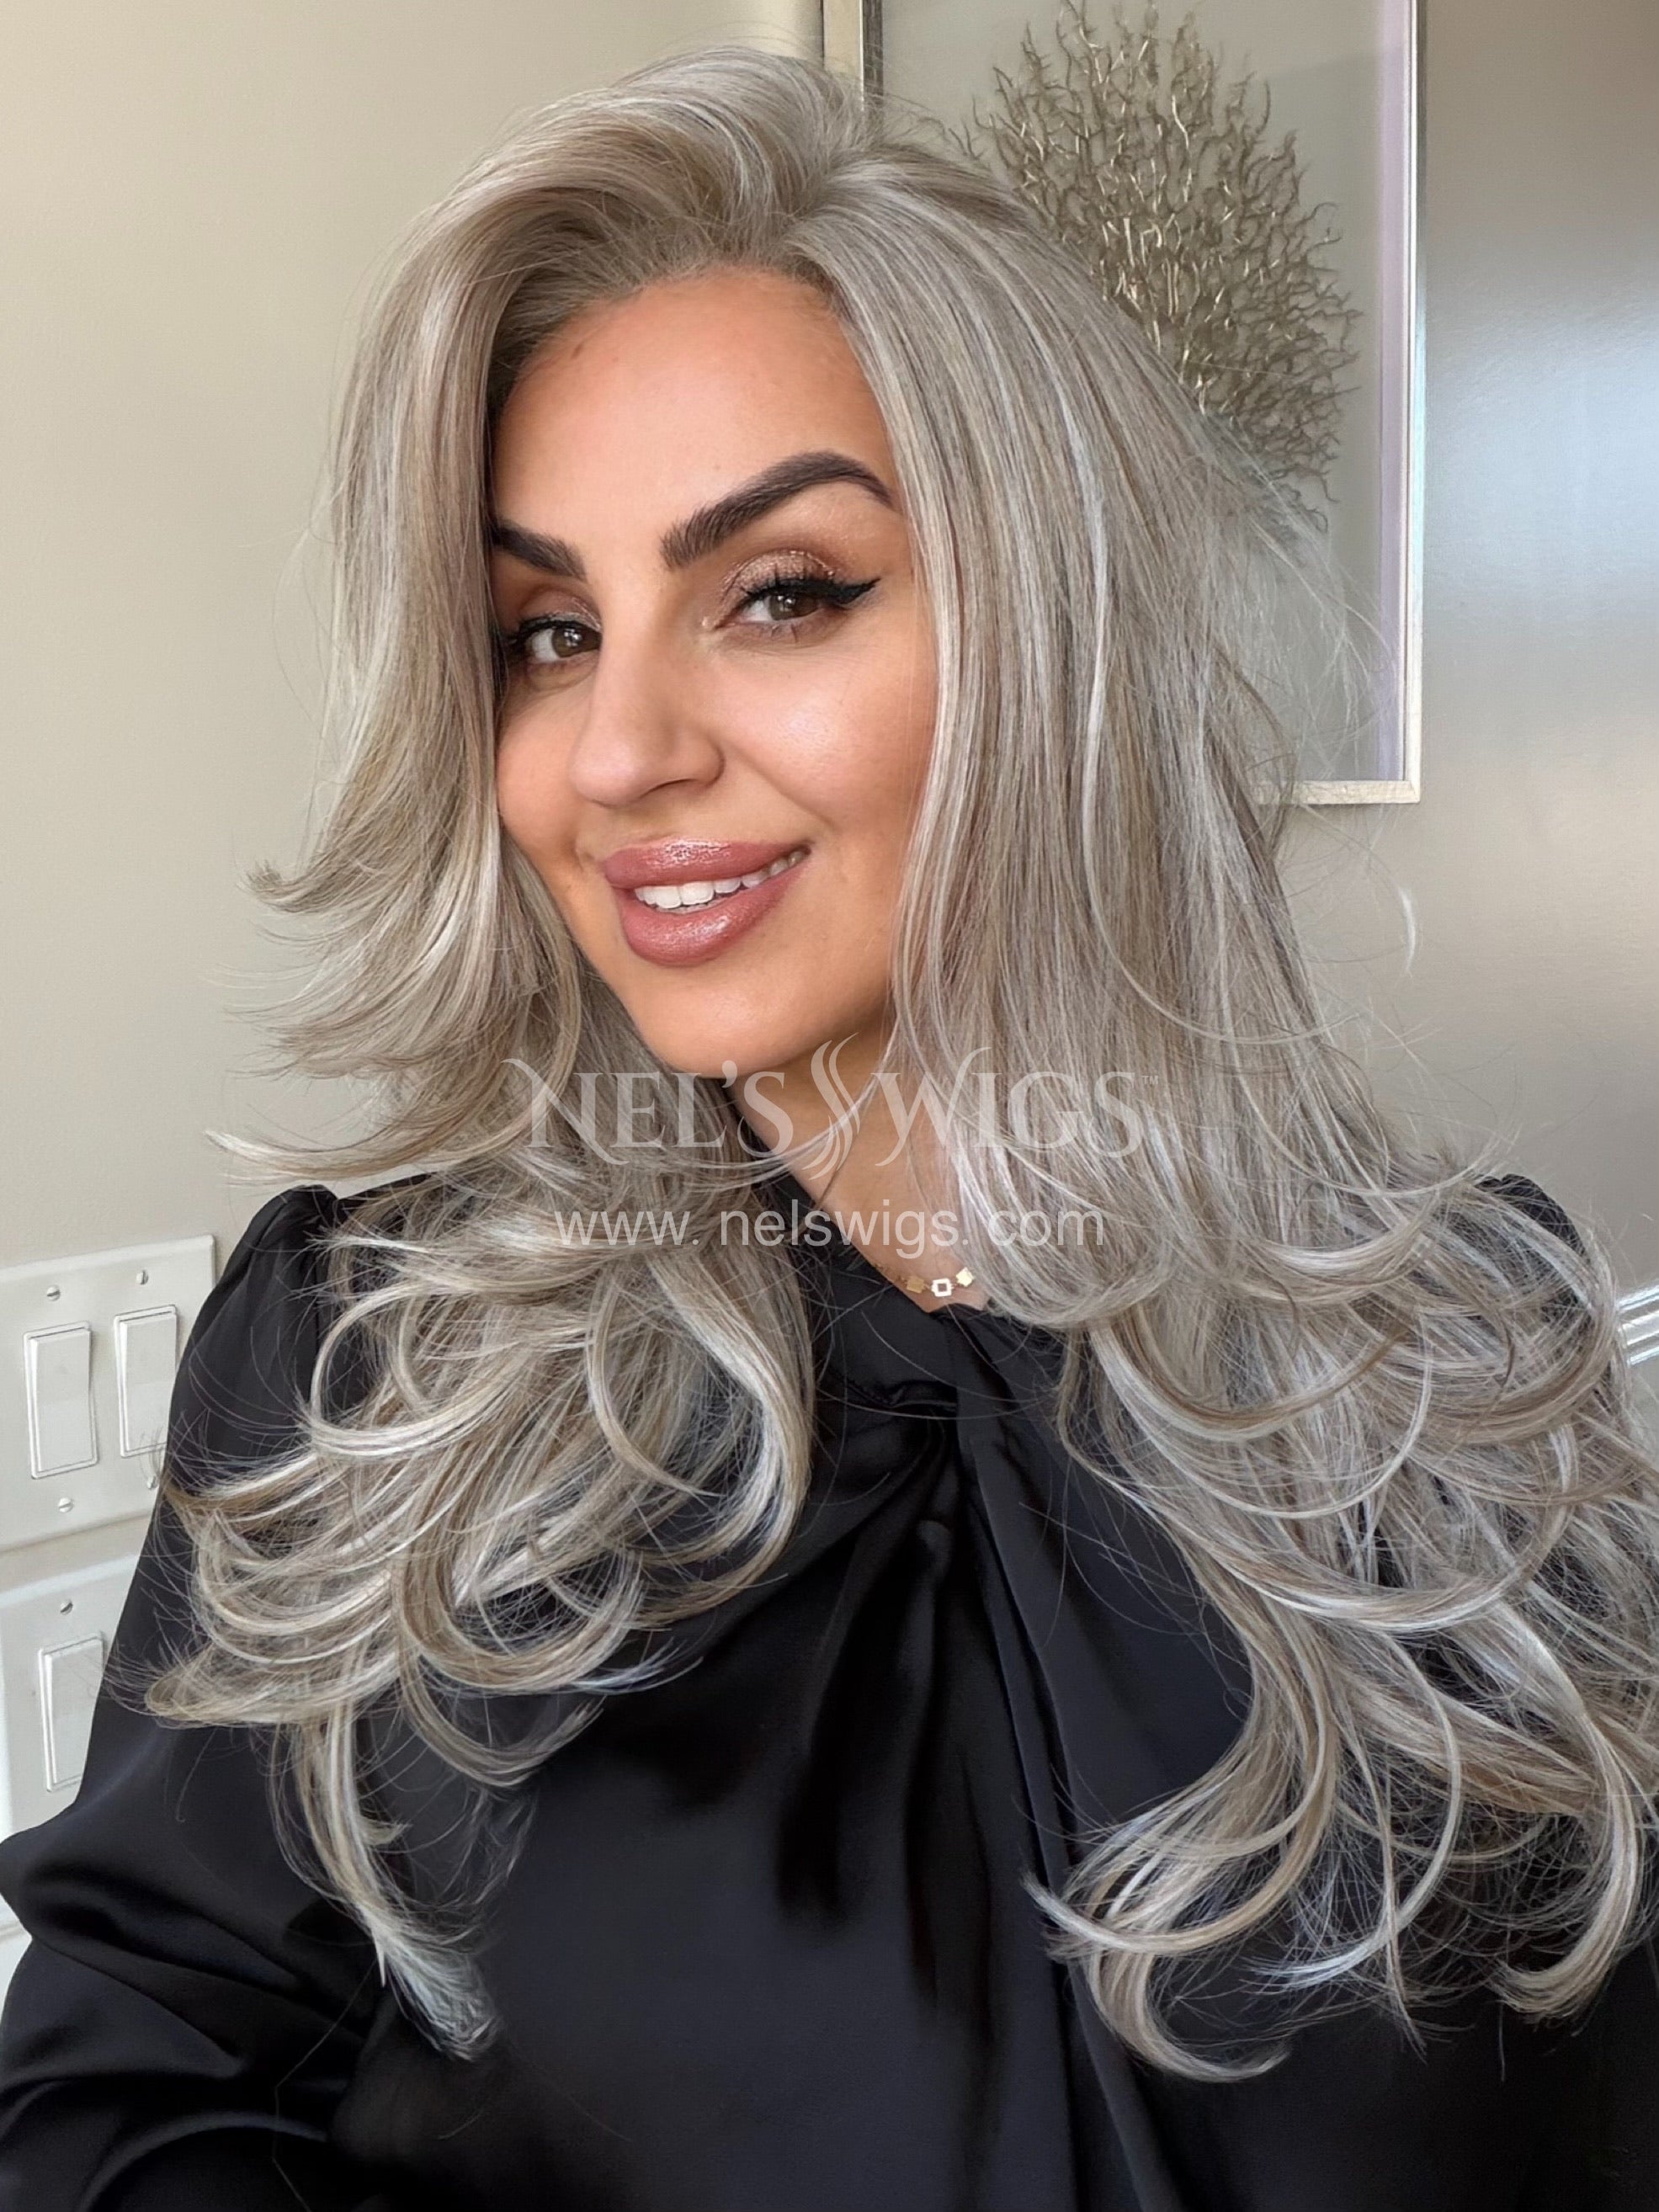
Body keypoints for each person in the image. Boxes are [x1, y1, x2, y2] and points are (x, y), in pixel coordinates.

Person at [1, 41, 1656, 2212]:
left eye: (780, 592)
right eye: (546, 632)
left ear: (1053, 634)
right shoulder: (357, 1362)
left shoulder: (1462, 1340)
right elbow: (123, 2097)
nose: (619, 751)